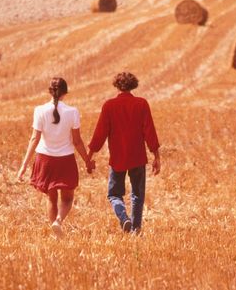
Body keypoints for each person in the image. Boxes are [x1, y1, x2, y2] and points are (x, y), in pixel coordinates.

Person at [17, 77, 94, 236]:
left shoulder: (39, 110)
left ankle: (55, 231)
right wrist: (87, 160)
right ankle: (58, 221)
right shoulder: (72, 112)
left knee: (51, 199)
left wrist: (23, 166)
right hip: (65, 160)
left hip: (45, 159)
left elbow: (34, 139)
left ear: (49, 92)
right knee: (67, 199)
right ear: (65, 92)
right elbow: (77, 141)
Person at [88, 72, 160, 234]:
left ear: (117, 85)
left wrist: (90, 155)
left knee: (114, 195)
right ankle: (136, 228)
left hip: (118, 158)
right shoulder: (142, 104)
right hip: (137, 157)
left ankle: (124, 217)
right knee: (137, 195)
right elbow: (150, 132)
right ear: (133, 85)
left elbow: (100, 133)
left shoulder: (109, 106)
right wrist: (156, 156)